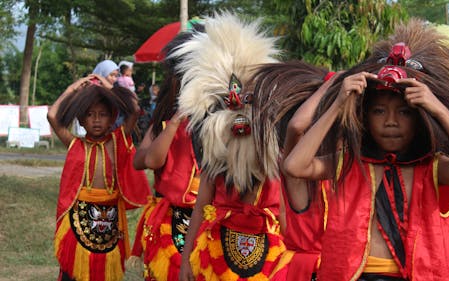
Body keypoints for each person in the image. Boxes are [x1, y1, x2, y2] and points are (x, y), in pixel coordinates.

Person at [282, 20, 449, 281]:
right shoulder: (350, 163)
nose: (390, 121)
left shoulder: (433, 167)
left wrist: (438, 108)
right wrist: (338, 104)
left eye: (404, 112)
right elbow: (294, 166)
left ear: (419, 118)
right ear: (364, 115)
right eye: (379, 111)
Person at [172, 12, 287, 281]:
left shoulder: (276, 153)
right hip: (218, 255)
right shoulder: (216, 154)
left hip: (269, 255)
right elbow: (201, 207)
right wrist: (186, 260)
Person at [47, 75, 151, 281]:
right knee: (74, 273)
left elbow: (134, 109)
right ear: (81, 120)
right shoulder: (75, 144)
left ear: (112, 118)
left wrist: (109, 85)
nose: (96, 120)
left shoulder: (118, 140)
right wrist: (73, 87)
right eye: (90, 115)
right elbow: (52, 115)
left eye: (102, 114)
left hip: (110, 220)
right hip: (78, 220)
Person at [252, 61, 342, 281]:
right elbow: (296, 127)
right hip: (305, 272)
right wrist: (331, 85)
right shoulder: (298, 176)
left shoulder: (350, 171)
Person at [130, 25, 205, 281]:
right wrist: (173, 123)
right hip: (171, 221)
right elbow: (146, 160)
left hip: (208, 219)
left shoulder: (219, 125)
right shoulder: (166, 122)